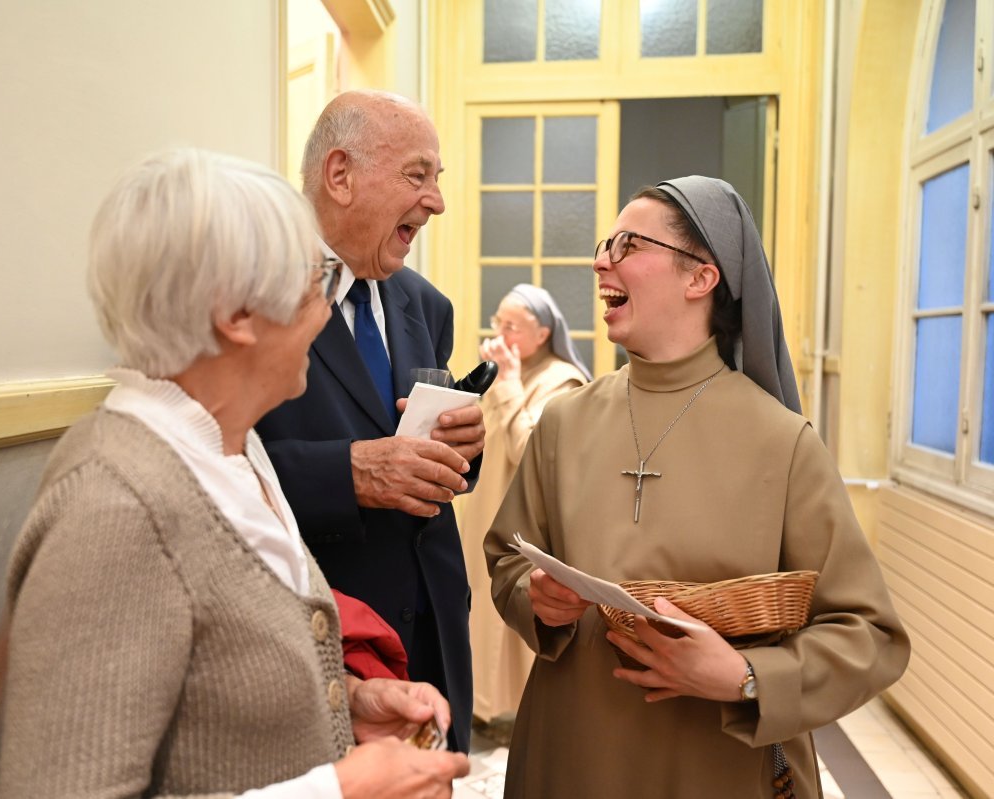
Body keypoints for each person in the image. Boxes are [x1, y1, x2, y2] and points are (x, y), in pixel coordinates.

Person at [0, 148, 469, 798]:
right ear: (235, 313)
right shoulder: (114, 505)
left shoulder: (235, 451)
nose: (328, 312)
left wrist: (346, 704)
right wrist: (339, 791)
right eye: (314, 286)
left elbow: (217, 690)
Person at [485, 176, 910, 797]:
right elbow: (505, 560)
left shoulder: (782, 442)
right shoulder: (564, 420)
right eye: (606, 242)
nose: (600, 259)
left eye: (628, 244)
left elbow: (870, 635)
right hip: (569, 752)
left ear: (700, 277)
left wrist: (746, 675)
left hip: (714, 765)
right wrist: (536, 599)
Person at [255, 90, 484, 752]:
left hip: (433, 641)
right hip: (322, 653)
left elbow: (428, 466)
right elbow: (219, 466)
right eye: (419, 174)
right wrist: (349, 474)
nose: (436, 201)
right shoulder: (258, 292)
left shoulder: (425, 305)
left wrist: (464, 446)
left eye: (437, 179)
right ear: (339, 174)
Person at [459, 284, 589, 722]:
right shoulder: (504, 371)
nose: (499, 334)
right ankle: (484, 708)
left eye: (511, 326)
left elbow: (531, 452)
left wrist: (510, 383)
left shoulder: (563, 381)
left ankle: (518, 714)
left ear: (543, 333)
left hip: (527, 526)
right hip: (487, 510)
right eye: (497, 322)